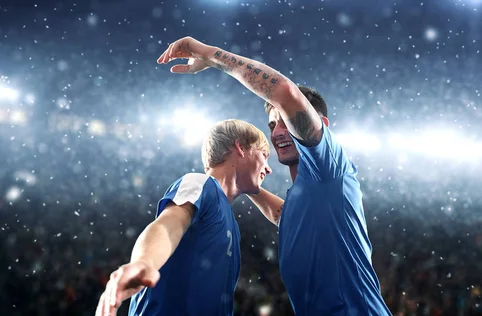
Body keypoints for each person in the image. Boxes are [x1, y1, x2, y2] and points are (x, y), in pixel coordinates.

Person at [158, 36, 392, 315]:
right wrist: (248, 183)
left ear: (322, 125)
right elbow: (284, 214)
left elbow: (283, 91)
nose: (277, 131)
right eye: (272, 124)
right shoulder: (306, 194)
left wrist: (211, 55)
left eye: (285, 120)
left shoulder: (329, 166)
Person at [94, 119, 272, 316]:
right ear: (241, 147)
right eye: (264, 155)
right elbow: (169, 224)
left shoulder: (231, 223)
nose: (268, 168)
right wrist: (145, 262)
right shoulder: (201, 183)